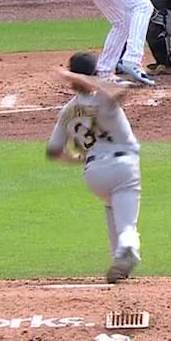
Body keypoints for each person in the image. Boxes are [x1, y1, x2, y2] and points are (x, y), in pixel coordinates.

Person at [47, 52, 145, 284]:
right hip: (123, 167)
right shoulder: (104, 95)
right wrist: (80, 77)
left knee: (112, 208)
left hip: (93, 174)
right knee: (127, 224)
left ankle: (119, 263)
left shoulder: (67, 111)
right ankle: (127, 249)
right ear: (95, 73)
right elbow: (120, 92)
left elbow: (54, 152)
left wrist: (79, 160)